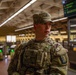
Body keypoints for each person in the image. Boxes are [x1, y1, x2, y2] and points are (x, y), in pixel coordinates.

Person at [7, 11, 69, 75]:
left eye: (49, 24)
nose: (48, 27)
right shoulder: (22, 47)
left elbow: (59, 73)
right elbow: (11, 69)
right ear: (35, 26)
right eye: (44, 24)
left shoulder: (56, 49)